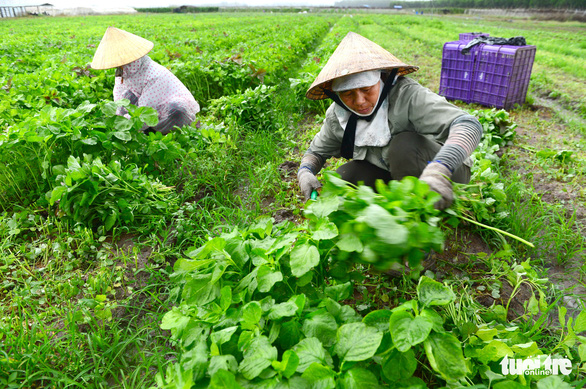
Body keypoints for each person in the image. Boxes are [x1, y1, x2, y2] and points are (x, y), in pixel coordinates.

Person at [298, 32, 483, 210]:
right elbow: (316, 152)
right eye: (348, 94)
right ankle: (399, 203)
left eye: (367, 89)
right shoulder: (338, 116)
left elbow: (468, 125)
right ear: (336, 95)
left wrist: (440, 168)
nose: (360, 101)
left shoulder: (407, 96)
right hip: (391, 170)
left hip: (442, 171)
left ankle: (418, 211)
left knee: (403, 146)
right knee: (345, 178)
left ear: (382, 80)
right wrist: (305, 171)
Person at [91, 27, 200, 135]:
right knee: (126, 97)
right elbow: (119, 98)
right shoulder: (123, 71)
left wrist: (123, 126)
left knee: (177, 111)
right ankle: (145, 130)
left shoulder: (154, 75)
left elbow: (145, 112)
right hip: (150, 107)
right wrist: (116, 121)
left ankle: (163, 133)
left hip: (169, 108)